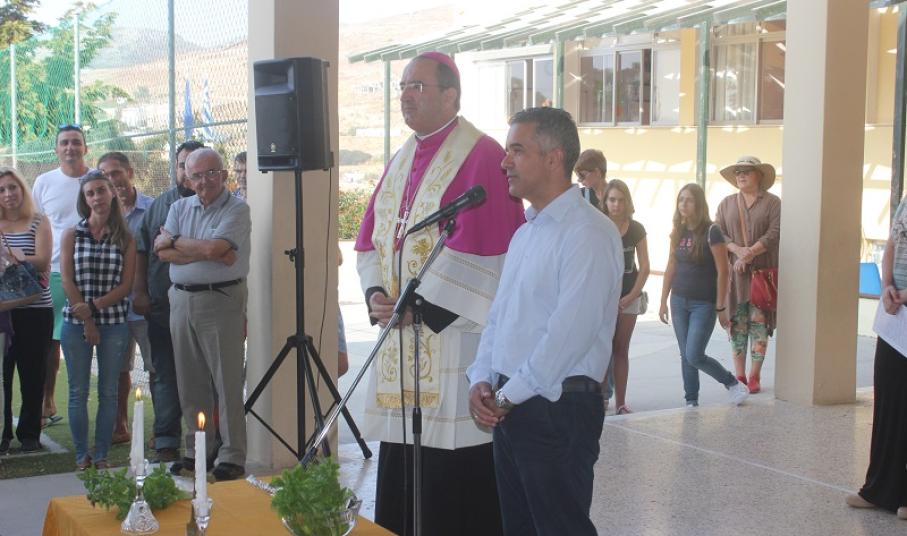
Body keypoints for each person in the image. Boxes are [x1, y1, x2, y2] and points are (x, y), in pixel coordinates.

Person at [354, 51, 524, 536]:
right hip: (400, 339)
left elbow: (493, 254)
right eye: (403, 86)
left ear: (451, 95)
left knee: (452, 480)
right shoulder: (401, 159)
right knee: (403, 467)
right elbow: (372, 239)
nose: (406, 95)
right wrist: (376, 294)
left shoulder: (482, 155)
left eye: (418, 86)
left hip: (452, 340)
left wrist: (423, 308)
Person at [467, 107, 623, 536]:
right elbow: (500, 318)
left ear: (554, 158)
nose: (504, 162)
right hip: (513, 404)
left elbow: (568, 336)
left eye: (517, 150)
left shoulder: (588, 233)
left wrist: (506, 396)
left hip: (558, 410)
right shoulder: (526, 233)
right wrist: (481, 378)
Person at [154, 147, 250, 482]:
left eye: (211, 173)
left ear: (223, 175)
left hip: (220, 299)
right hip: (180, 300)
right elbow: (162, 252)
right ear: (187, 178)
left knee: (227, 381)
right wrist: (206, 251)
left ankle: (232, 455)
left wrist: (177, 240)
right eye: (196, 175)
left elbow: (215, 249)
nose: (204, 181)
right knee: (190, 382)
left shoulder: (237, 209)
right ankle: (198, 451)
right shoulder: (179, 207)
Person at [60, 170, 136, 470]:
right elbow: (67, 279)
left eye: (101, 191)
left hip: (114, 322)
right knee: (78, 391)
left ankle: (102, 454)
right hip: (75, 323)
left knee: (108, 391)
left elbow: (126, 286)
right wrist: (87, 319)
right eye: (90, 193)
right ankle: (82, 455)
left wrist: (93, 308)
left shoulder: (126, 238)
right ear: (84, 199)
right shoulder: (72, 234)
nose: (96, 197)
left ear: (112, 193)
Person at [133, 140, 203, 462]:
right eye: (181, 165)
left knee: (205, 375)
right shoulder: (160, 206)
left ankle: (204, 439)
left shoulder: (219, 207)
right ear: (176, 169)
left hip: (205, 305)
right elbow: (142, 250)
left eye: (193, 165)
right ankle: (165, 440)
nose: (187, 172)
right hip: (162, 306)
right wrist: (140, 291)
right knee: (164, 373)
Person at [658, 183, 749, 408]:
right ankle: (691, 400)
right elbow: (671, 266)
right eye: (681, 200)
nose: (683, 204)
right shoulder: (678, 230)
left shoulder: (712, 231)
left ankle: (732, 383)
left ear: (698, 203)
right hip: (679, 300)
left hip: (703, 303)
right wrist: (663, 300)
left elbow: (723, 271)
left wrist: (720, 307)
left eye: (689, 200)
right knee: (685, 354)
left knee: (694, 354)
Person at [846, 193, 907, 520]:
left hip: (902, 302)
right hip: (896, 315)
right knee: (888, 401)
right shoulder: (906, 200)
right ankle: (881, 489)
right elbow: (892, 244)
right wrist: (886, 287)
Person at [32, 124, 92, 428]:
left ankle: (109, 414)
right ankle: (47, 401)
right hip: (54, 273)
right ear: (56, 149)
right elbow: (36, 226)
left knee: (94, 337)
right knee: (50, 341)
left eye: (76, 142)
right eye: (64, 143)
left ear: (85, 148)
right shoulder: (44, 182)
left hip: (92, 275)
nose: (70, 148)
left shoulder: (96, 181)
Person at [98, 152, 154, 446]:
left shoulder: (152, 208)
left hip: (145, 305)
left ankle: (162, 429)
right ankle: (119, 424)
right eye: (105, 175)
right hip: (114, 308)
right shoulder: (99, 215)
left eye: (116, 172)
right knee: (117, 370)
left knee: (156, 367)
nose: (111, 179)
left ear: (129, 172)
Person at [714, 156, 781, 394]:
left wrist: (750, 253)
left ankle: (755, 375)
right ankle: (739, 374)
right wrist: (738, 251)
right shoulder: (726, 204)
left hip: (762, 276)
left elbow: (775, 233)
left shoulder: (773, 203)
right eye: (737, 171)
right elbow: (718, 232)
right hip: (736, 277)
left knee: (760, 325)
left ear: (759, 175)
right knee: (737, 325)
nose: (741, 175)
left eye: (746, 171)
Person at [0, 168, 54, 453]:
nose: (8, 194)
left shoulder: (38, 220)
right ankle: (4, 433)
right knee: (3, 376)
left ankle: (30, 433)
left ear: (22, 189)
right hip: (3, 311)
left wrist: (16, 257)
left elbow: (44, 260)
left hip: (36, 309)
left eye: (13, 187)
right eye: (2, 190)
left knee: (33, 374)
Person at [601, 179, 649, 415]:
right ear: (605, 201)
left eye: (621, 200)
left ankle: (621, 402)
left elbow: (645, 266)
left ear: (627, 202)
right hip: (603, 298)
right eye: (612, 200)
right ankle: (600, 399)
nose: (616, 205)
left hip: (629, 296)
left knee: (621, 348)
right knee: (602, 348)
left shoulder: (636, 228)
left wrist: (632, 296)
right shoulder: (598, 225)